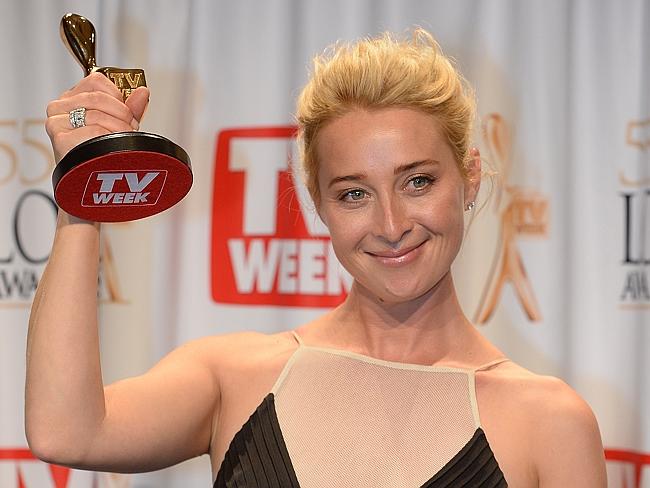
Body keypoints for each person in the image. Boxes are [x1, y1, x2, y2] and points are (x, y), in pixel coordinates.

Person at [26, 28, 607, 487]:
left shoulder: (550, 423)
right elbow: (67, 431)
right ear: (318, 202)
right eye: (354, 192)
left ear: (470, 177)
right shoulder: (234, 378)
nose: (391, 225)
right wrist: (84, 189)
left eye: (418, 182)